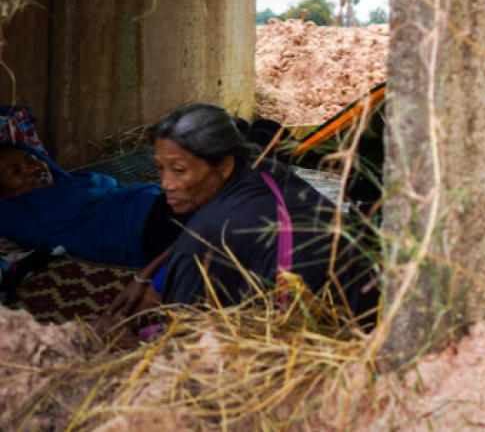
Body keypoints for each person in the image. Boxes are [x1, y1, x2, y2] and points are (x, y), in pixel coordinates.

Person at [141, 104, 377, 318]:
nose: (166, 184)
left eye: (179, 170)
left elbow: (178, 334)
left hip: (337, 332)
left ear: (224, 165)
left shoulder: (210, 233)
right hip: (370, 307)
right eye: (160, 168)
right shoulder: (268, 170)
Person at [0, 143, 186, 296]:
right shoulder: (16, 213)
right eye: (15, 171)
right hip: (142, 229)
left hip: (160, 201)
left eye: (32, 160)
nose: (32, 168)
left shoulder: (73, 181)